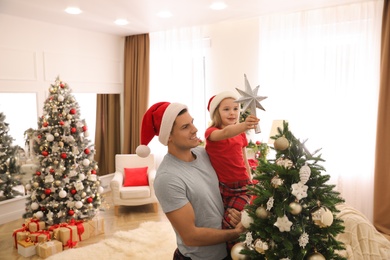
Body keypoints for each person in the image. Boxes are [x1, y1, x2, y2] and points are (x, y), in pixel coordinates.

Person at [135, 102, 245, 260]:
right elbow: (190, 236)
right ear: (169, 137)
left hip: (228, 251)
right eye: (185, 127)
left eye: (192, 122)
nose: (195, 129)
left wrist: (238, 216)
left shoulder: (205, 154)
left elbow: (227, 190)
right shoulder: (168, 178)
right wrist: (235, 233)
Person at [205, 91, 260, 231]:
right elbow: (225, 133)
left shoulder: (240, 134)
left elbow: (244, 159)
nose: (232, 113)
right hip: (221, 188)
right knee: (224, 220)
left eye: (236, 109)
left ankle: (234, 251)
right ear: (216, 113)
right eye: (226, 109)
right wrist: (244, 125)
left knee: (231, 223)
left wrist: (250, 179)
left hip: (242, 186)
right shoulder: (211, 132)